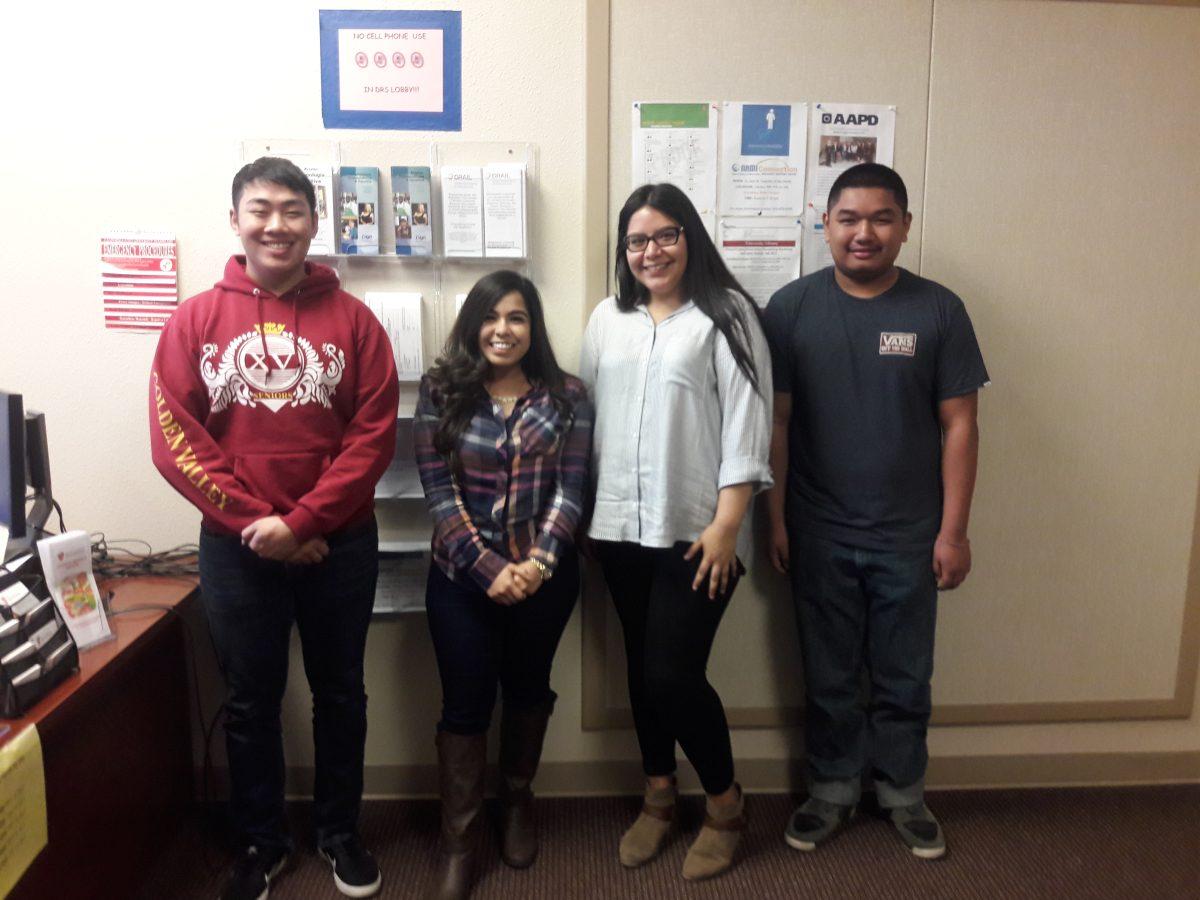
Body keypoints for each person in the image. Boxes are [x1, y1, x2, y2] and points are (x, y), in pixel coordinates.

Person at [149, 157, 398, 900]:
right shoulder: (194, 320)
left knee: (341, 694)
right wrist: (265, 525)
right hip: (237, 550)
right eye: (260, 209)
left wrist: (304, 522)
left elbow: (374, 436)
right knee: (251, 702)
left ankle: (338, 832)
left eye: (292, 210)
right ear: (235, 221)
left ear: (315, 223)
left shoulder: (355, 321)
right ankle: (260, 842)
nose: (276, 224)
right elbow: (176, 438)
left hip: (340, 544)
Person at [762, 163, 989, 861]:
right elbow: (777, 424)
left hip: (911, 537)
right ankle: (830, 790)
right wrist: (774, 521)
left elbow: (961, 425)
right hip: (817, 530)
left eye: (881, 219)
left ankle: (902, 792)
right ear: (824, 225)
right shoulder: (791, 308)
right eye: (849, 219)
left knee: (902, 673)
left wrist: (954, 532)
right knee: (828, 673)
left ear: (905, 227)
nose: (865, 233)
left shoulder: (939, 310)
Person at [579, 183, 772, 881]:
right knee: (640, 667)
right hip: (618, 527)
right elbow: (588, 418)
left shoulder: (728, 316)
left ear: (690, 237)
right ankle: (658, 794)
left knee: (671, 672)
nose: (651, 251)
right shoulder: (608, 319)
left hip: (700, 532)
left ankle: (725, 805)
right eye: (637, 240)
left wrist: (729, 524)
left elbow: (748, 425)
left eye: (665, 235)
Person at [415, 270, 592, 900]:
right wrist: (490, 571)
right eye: (491, 317)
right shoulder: (441, 391)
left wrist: (538, 565)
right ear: (473, 325)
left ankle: (515, 804)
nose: (503, 330)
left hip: (545, 578)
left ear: (532, 327)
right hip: (459, 581)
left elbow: (572, 489)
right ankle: (460, 842)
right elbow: (440, 493)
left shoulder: (567, 396)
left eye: (517, 317)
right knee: (464, 705)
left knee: (526, 690)